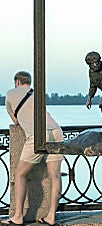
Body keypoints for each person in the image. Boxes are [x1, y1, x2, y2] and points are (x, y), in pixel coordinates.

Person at [1, 71, 64, 226]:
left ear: (16, 82)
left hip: (38, 134)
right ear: (28, 82)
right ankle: (51, 217)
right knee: (55, 176)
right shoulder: (37, 93)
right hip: (56, 131)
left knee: (20, 174)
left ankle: (17, 216)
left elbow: (15, 121)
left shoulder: (10, 94)